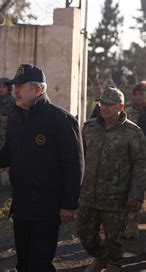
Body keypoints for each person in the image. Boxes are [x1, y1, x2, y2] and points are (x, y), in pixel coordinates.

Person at [0, 64, 84, 272]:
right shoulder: (16, 118)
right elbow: (7, 155)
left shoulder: (61, 120)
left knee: (39, 265)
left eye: (20, 86)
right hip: (22, 206)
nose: (15, 90)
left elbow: (74, 165)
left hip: (47, 208)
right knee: (23, 263)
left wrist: (69, 204)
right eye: (14, 86)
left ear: (38, 90)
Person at [78, 87, 146, 272]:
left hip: (117, 197)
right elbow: (80, 158)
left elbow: (140, 164)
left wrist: (136, 194)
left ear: (121, 106)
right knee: (85, 234)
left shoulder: (133, 132)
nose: (104, 107)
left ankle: (112, 264)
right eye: (102, 103)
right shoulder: (89, 128)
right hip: (89, 194)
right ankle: (100, 257)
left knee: (114, 239)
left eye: (109, 104)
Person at [123, 81, 146, 239]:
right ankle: (131, 225)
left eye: (142, 94)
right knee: (134, 190)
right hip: (133, 157)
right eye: (136, 94)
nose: (138, 97)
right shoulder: (128, 111)